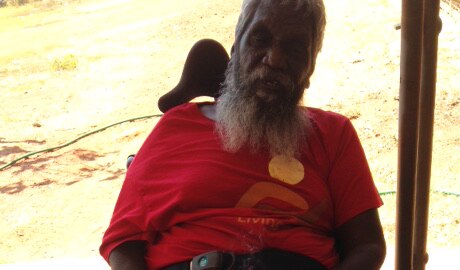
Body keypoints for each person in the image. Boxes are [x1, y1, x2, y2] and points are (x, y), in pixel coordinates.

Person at [100, 0, 386, 269]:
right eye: (260, 39)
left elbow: (368, 245)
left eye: (295, 48)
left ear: (309, 68)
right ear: (236, 50)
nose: (274, 59)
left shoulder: (333, 134)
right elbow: (123, 242)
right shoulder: (175, 127)